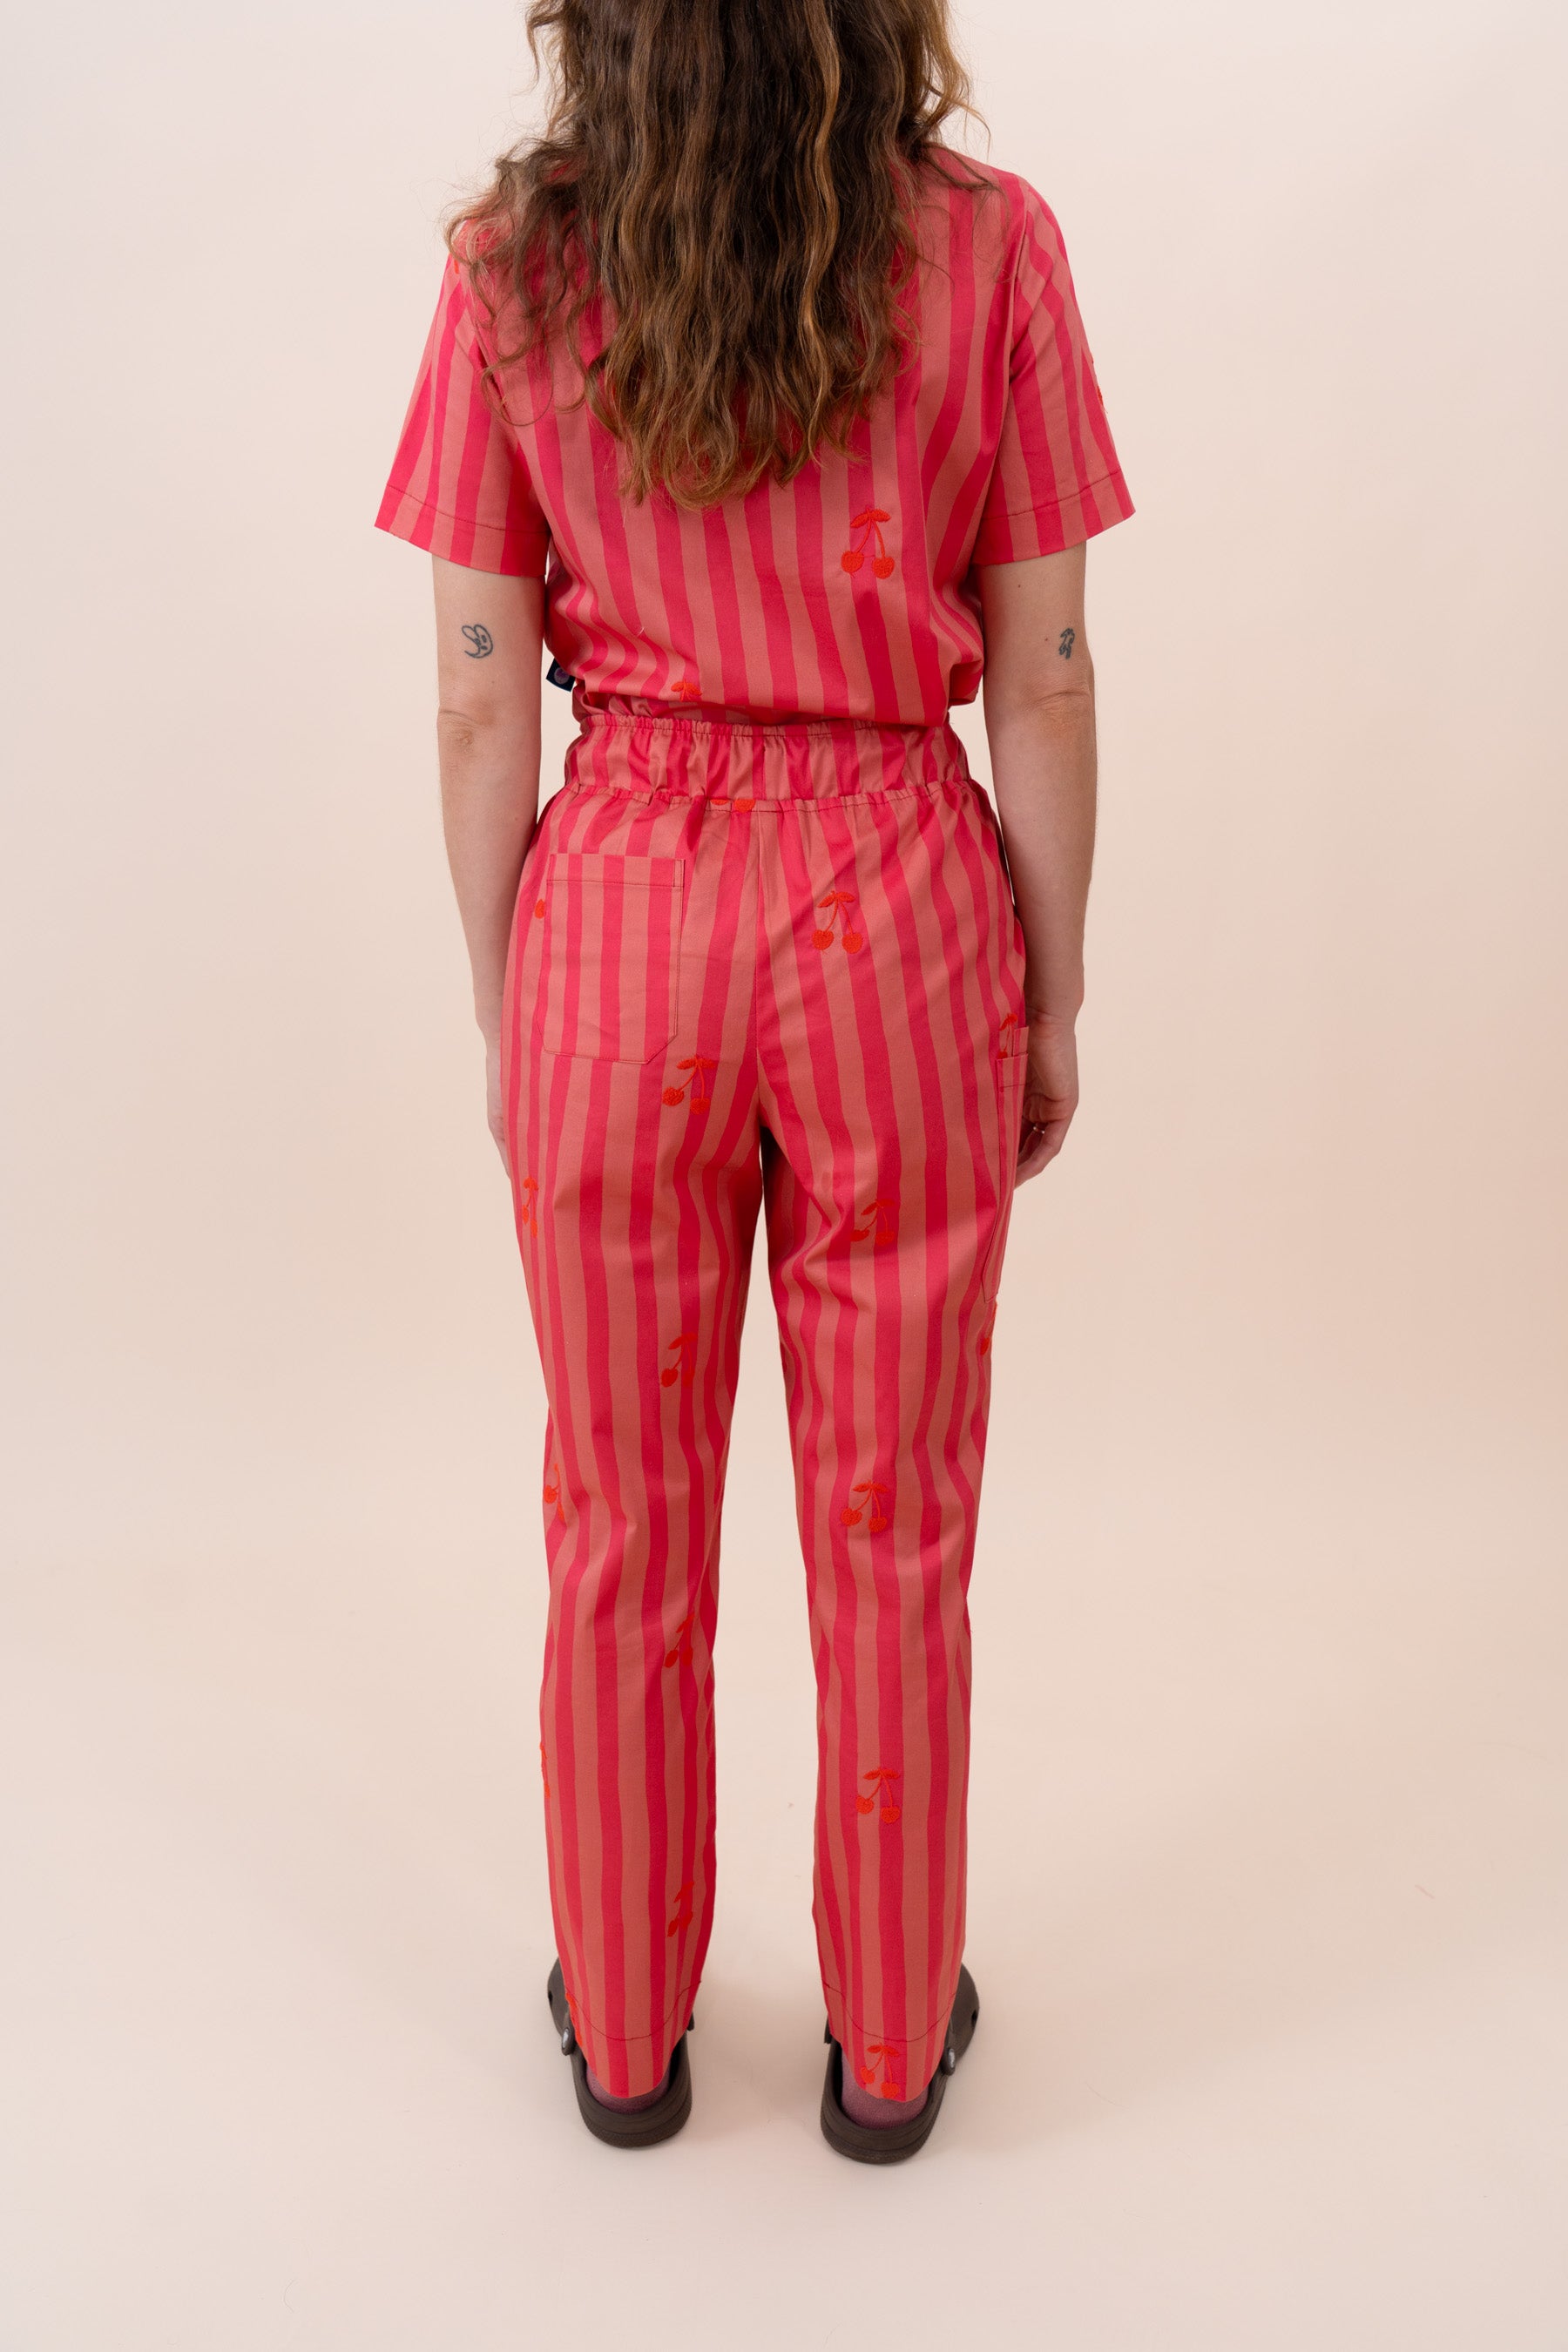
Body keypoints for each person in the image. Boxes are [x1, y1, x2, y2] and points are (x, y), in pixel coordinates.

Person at [374, 0, 1132, 2162]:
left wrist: (510, 1000)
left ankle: (624, 2035)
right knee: (897, 1526)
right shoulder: (992, 247)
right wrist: (1050, 997)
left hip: (618, 916)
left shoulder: (518, 267)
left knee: (621, 1518)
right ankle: (888, 2048)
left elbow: (476, 691)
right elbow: (1047, 678)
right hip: (901, 913)